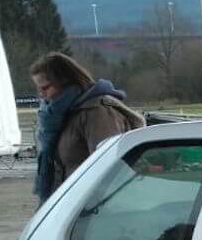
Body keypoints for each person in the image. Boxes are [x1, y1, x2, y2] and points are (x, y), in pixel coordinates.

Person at [30, 52, 145, 205]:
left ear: (65, 82)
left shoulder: (98, 112)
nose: (41, 95)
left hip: (94, 206)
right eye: (38, 89)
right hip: (68, 201)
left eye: (45, 88)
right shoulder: (57, 117)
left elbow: (108, 167)